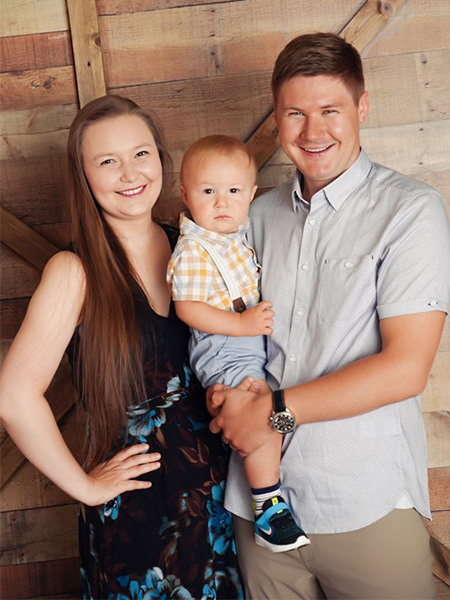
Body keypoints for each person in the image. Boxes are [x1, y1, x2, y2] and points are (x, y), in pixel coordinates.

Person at [208, 32, 450, 599]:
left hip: (362, 501)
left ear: (361, 108)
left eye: (330, 111)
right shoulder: (255, 215)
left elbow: (404, 370)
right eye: (295, 113)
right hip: (257, 504)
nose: (313, 132)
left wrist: (272, 417)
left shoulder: (411, 211)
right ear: (276, 119)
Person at [0, 95, 243, 600]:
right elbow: (14, 396)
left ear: (160, 160)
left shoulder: (194, 249)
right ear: (84, 177)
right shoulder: (75, 272)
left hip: (228, 504)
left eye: (140, 153)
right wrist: (87, 487)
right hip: (140, 526)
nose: (129, 172)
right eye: (107, 161)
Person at [167, 134, 309, 553]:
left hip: (242, 344)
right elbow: (187, 310)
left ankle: (223, 403)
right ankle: (268, 507)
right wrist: (244, 325)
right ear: (186, 195)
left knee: (257, 405)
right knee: (262, 416)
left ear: (251, 193)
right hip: (224, 342)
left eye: (233, 191)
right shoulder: (194, 248)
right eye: (208, 192)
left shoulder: (233, 235)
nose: (221, 203)